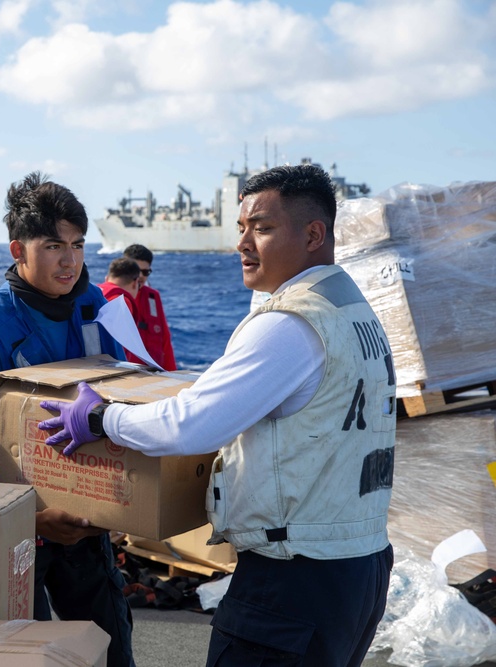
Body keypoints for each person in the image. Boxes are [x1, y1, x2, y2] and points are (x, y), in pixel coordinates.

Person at [39, 164, 396, 666]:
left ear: (314, 234)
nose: (243, 243)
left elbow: (193, 424)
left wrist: (102, 420)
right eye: (241, 228)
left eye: (263, 228)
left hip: (292, 580)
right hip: (357, 563)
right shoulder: (354, 312)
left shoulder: (291, 324)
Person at [0, 172, 134, 667]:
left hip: (87, 528)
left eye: (79, 244)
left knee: (113, 653)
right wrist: (31, 518)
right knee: (24, 658)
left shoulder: (96, 311)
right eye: (53, 245)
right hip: (14, 535)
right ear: (18, 249)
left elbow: (127, 400)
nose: (70, 260)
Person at [123, 244, 176, 371]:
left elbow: (165, 341)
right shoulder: (113, 297)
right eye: (136, 270)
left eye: (145, 272)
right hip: (126, 377)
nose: (140, 276)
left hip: (154, 376)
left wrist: (173, 375)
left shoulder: (153, 297)